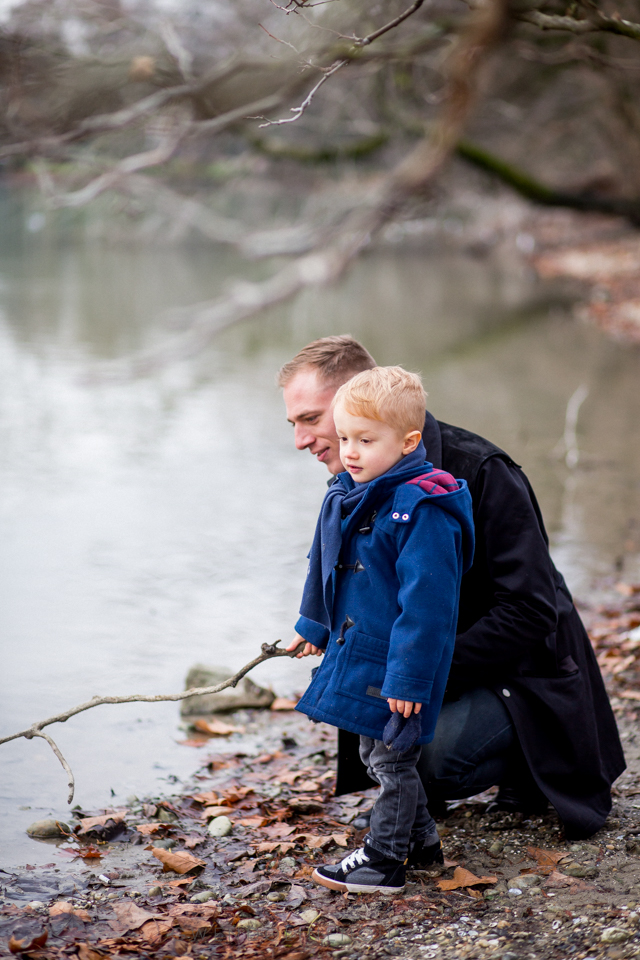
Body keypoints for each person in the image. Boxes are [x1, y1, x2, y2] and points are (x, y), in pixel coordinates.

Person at [279, 336, 625, 841]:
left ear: (358, 398)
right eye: (294, 424)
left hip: (527, 675)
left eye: (310, 419)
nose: (300, 440)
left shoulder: (481, 471)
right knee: (373, 719)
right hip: (434, 660)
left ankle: (523, 766)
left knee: (423, 763)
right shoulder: (360, 478)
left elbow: (531, 612)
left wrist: (415, 674)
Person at [286, 367, 474, 894]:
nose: (349, 450)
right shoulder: (350, 492)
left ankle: (384, 860)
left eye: (366, 441)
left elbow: (428, 609)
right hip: (360, 648)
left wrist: (410, 681)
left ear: (409, 441)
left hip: (399, 663)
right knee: (375, 753)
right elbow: (322, 565)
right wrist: (312, 625)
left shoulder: (423, 509)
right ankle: (423, 841)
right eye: (344, 437)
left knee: (392, 757)